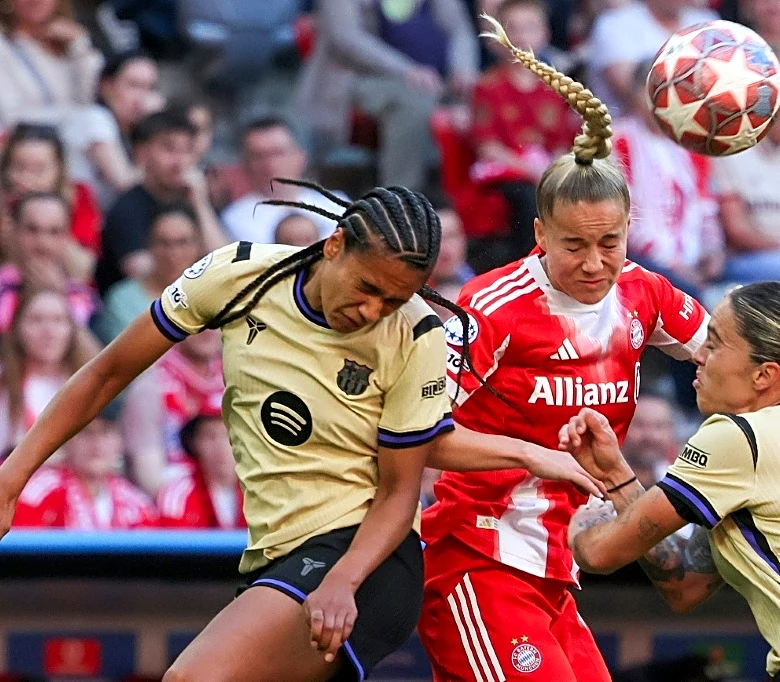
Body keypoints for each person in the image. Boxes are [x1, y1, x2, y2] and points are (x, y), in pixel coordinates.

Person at [0, 179, 602, 681]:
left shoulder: (415, 332)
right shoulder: (236, 276)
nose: (373, 311)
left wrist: (343, 581)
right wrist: (13, 474)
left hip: (365, 561)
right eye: (368, 288)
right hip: (273, 558)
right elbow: (106, 374)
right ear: (334, 244)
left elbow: (400, 490)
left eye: (393, 300)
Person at [419, 17, 710, 682]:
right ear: (539, 233)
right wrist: (532, 454)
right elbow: (418, 435)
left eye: (609, 243)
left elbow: (737, 358)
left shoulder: (646, 293)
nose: (593, 263)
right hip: (479, 558)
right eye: (573, 245)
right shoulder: (491, 309)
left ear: (629, 229)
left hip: (559, 567)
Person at [564, 281, 780, 682]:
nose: (697, 355)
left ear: (764, 375)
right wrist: (616, 474)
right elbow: (686, 583)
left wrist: (572, 522)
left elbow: (600, 553)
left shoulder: (739, 438)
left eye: (714, 345)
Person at [95, 108, 227, 295]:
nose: (179, 161)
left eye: (188, 150)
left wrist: (200, 203)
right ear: (141, 153)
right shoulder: (127, 210)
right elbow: (146, 274)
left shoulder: (196, 199)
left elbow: (227, 265)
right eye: (169, 149)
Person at [14, 404, 157, 529]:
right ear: (66, 440)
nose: (96, 444)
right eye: (86, 432)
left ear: (120, 440)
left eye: (105, 432)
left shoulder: (135, 503)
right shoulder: (41, 493)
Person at [220, 117, 346, 245]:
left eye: (278, 153)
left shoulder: (337, 205)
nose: (270, 164)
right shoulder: (236, 219)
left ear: (301, 156)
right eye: (258, 156)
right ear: (245, 164)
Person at [1, 122, 102, 281]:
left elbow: (84, 270)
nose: (27, 179)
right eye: (19, 168)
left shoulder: (79, 196)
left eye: (39, 169)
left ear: (59, 170)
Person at [97, 202, 203, 342]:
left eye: (182, 242)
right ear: (149, 244)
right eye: (164, 243)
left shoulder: (213, 295)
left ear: (199, 245)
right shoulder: (122, 300)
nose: (173, 254)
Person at [0, 192, 101, 334]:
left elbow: (95, 355)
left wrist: (59, 298)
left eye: (54, 232)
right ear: (15, 233)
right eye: (32, 230)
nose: (43, 243)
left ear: (67, 238)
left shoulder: (87, 300)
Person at [157, 400, 246, 529]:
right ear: (193, 442)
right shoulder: (178, 494)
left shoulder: (263, 490)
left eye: (229, 436)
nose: (220, 446)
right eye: (210, 436)